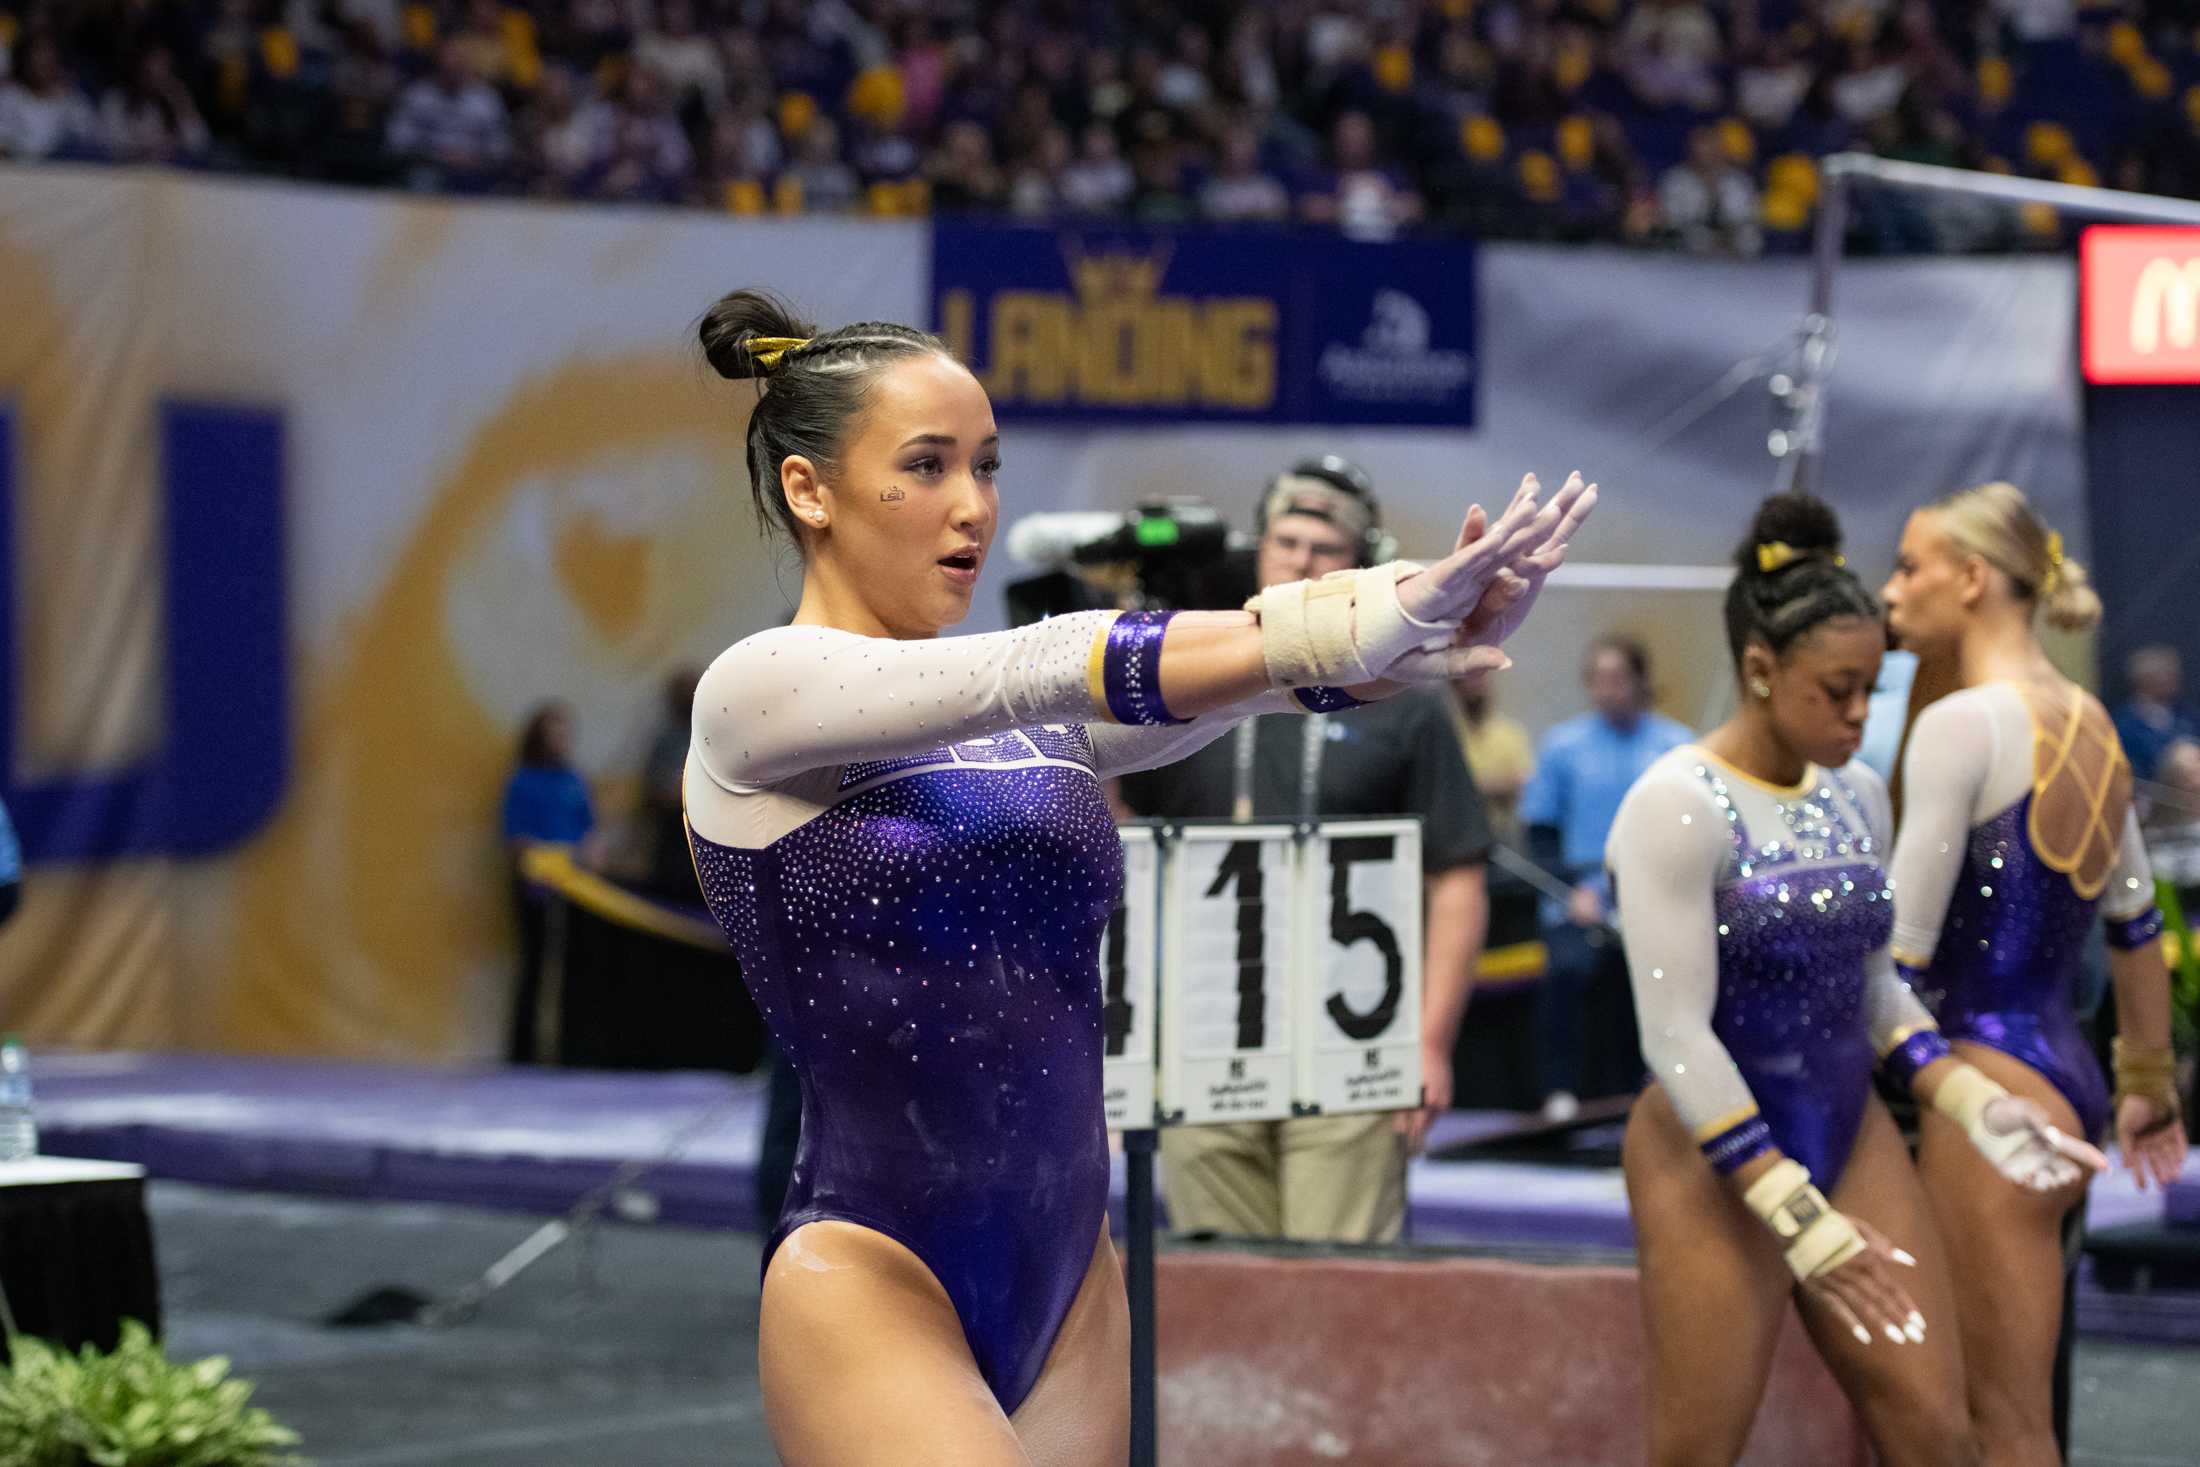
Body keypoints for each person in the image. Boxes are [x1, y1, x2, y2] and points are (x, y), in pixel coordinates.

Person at [680, 288, 1595, 1464]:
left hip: (1069, 1272)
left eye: (987, 466)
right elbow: (1058, 663)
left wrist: (1409, 633)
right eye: (926, 466)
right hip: (870, 1264)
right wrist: (1351, 619)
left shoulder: (1017, 719)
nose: (974, 508)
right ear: (810, 489)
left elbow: (1216, 690)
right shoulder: (758, 694)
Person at [1611, 492, 2100, 1467]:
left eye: (1870, 690)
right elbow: (1673, 1035)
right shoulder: (1674, 806)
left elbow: (1874, 990)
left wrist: (1970, 1103)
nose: (1856, 716)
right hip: (1710, 1155)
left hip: (1850, 1127)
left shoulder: (1856, 794)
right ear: (1758, 668)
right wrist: (1790, 1209)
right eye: (1833, 690)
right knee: (1695, 1453)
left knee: (1937, 1438)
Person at [1882, 482, 2187, 1464]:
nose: (1891, 593)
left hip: (1986, 1096)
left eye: (1909, 565)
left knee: (1999, 1425)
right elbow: (2137, 928)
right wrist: (2146, 1085)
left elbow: (1898, 959)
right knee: (2018, 1415)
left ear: (1971, 579)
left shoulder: (1961, 726)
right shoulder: (2089, 718)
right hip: (2068, 1083)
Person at [1117, 456, 1495, 1244]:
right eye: (1285, 538)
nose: (1301, 558)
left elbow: (1456, 874)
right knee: (1219, 1296)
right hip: (1198, 1032)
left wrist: (1429, 1040)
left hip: (1351, 1035)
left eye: (1326, 546)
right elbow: (1115, 835)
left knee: (1340, 1282)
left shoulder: (1407, 698)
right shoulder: (1196, 669)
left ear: (1360, 563)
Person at [1520, 635, 1692, 1119]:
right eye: (1598, 681)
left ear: (1640, 681)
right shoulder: (1562, 747)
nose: (1608, 691)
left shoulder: (1676, 746)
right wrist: (1569, 891)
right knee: (1568, 973)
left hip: (1655, 897)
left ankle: (1651, 1094)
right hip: (1579, 894)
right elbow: (1540, 831)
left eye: (1618, 680)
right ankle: (1560, 1094)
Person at [502, 701, 595, 1063]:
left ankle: (567, 1050)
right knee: (535, 964)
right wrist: (549, 858)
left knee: (573, 966)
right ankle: (523, 1051)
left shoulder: (573, 780)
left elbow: (589, 829)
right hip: (536, 887)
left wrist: (588, 852)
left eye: (565, 734)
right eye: (554, 734)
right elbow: (515, 837)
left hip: (577, 887)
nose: (562, 741)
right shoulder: (522, 780)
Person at [1449, 672, 1534, 840]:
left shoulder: (1511, 734)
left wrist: (1471, 786)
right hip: (1455, 835)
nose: (1472, 686)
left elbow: (1523, 785)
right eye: (1465, 680)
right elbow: (1447, 788)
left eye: (1479, 679)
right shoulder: (1446, 733)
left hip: (1500, 834)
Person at [2113, 645, 2199, 785]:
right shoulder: (2124, 724)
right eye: (2164, 673)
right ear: (2144, 678)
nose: (2172, 678)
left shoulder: (2186, 713)